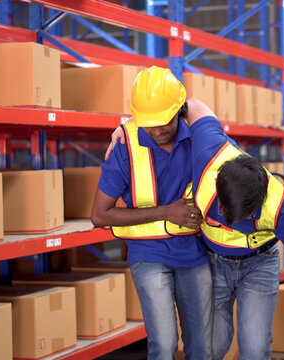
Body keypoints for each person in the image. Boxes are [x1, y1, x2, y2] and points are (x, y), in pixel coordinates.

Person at [107, 96, 284, 360]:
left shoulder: (283, 210)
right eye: (224, 212)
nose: (228, 222)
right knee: (209, 349)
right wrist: (131, 127)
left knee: (254, 349)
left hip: (259, 265)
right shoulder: (208, 152)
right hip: (214, 263)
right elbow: (189, 103)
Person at [91, 66, 212, 360]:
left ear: (178, 110)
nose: (158, 130)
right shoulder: (126, 145)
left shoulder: (199, 135)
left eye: (165, 121)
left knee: (201, 348)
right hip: (148, 255)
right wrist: (165, 213)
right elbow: (99, 215)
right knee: (164, 343)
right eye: (149, 123)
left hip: (194, 253)